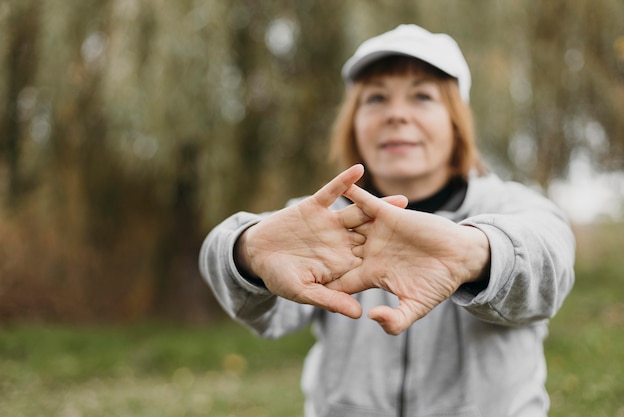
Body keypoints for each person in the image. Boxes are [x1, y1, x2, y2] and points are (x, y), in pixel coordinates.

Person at [199, 24, 575, 417]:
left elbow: (549, 264)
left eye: (422, 97)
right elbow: (245, 281)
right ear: (354, 123)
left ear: (456, 122)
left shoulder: (511, 204)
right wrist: (247, 251)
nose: (396, 114)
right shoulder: (320, 221)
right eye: (376, 98)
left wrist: (474, 253)